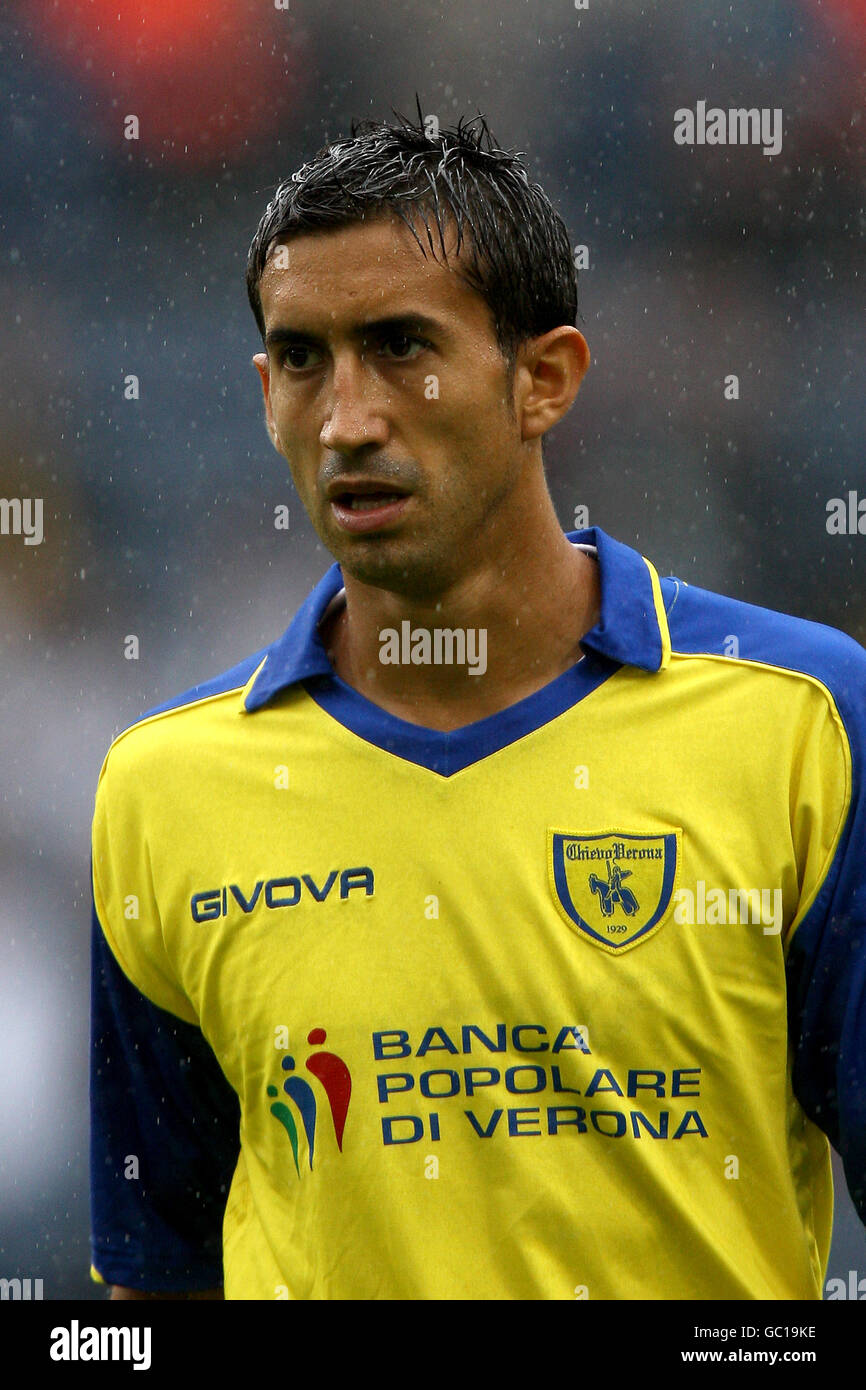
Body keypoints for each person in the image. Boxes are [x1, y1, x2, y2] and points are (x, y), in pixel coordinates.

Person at [90, 110, 866, 1301]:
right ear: (263, 390)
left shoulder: (804, 725)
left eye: (402, 346)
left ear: (542, 379)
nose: (346, 419)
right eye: (302, 358)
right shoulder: (164, 791)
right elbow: (154, 1283)